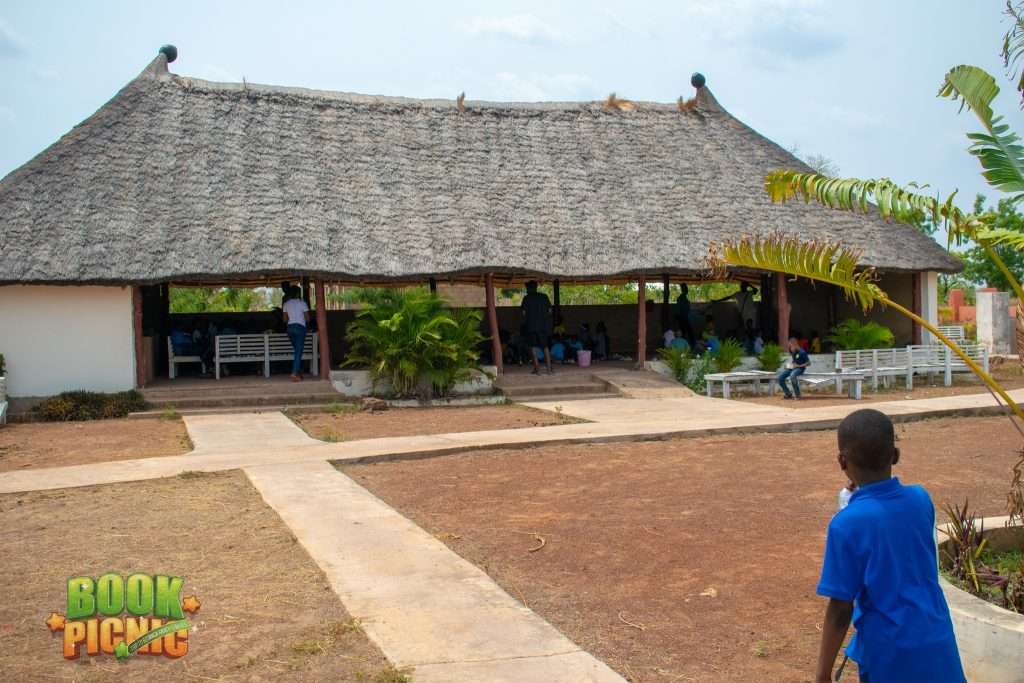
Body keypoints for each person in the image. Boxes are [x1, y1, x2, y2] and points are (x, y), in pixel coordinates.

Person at [814, 409, 966, 683]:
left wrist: (823, 675)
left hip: (889, 653)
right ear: (895, 456)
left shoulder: (846, 524)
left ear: (842, 461)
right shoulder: (921, 500)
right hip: (938, 640)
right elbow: (891, 527)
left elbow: (840, 609)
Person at [521, 281, 553, 374]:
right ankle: (549, 370)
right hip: (543, 327)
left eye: (527, 288)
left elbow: (523, 313)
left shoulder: (526, 298)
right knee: (545, 347)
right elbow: (550, 311)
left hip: (531, 327)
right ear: (536, 287)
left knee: (533, 347)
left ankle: (537, 370)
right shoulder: (544, 297)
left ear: (529, 288)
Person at [282, 285, 311, 381]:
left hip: (290, 329)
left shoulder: (286, 304)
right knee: (298, 351)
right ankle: (294, 373)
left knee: (297, 351)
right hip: (300, 328)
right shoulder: (302, 303)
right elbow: (307, 318)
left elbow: (284, 319)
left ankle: (298, 373)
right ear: (298, 294)